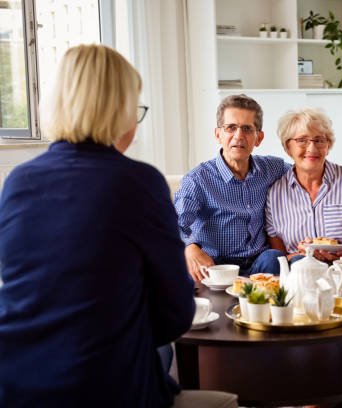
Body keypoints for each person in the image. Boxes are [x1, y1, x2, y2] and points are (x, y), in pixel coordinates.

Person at [0, 45, 195, 407]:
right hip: (97, 386)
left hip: (15, 381)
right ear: (119, 110)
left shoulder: (17, 181)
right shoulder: (138, 182)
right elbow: (175, 316)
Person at [175, 94, 342, 280]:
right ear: (218, 134)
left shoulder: (272, 169)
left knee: (274, 256)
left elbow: (306, 165)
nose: (238, 136)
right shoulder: (198, 179)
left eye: (247, 129)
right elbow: (173, 221)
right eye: (231, 127)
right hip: (217, 266)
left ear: (258, 138)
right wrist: (190, 248)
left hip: (262, 264)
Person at [265, 108, 342, 263]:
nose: (312, 148)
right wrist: (301, 255)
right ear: (288, 148)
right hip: (300, 272)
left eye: (319, 140)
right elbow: (279, 258)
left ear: (328, 146)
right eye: (302, 140)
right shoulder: (275, 194)